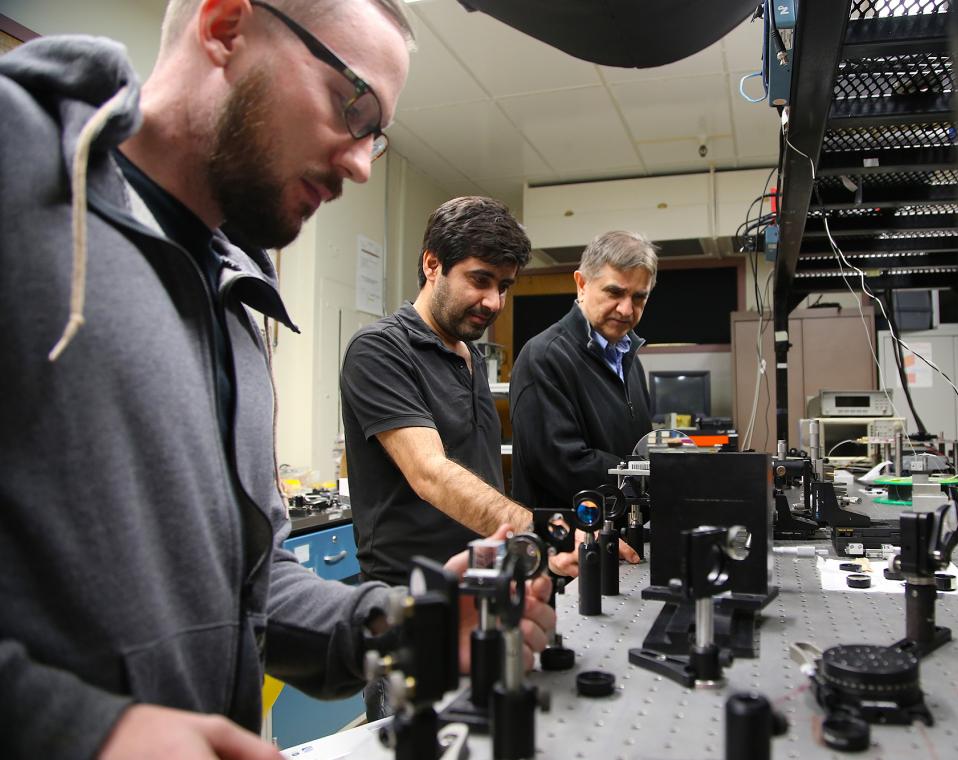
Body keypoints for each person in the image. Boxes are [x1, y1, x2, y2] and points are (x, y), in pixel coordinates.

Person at [0, 2, 553, 758]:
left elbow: (251, 592)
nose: (361, 163)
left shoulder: (237, 301)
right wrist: (82, 729)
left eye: (376, 135)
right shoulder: (17, 168)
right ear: (225, 26)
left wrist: (397, 627)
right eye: (350, 105)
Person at [341, 196, 536, 589]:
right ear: (433, 264)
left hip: (483, 574)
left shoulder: (472, 356)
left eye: (504, 286)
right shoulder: (380, 349)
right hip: (409, 590)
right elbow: (429, 472)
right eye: (480, 280)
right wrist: (537, 530)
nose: (493, 302)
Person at [509, 231, 658, 573]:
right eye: (614, 292)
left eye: (639, 297)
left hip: (622, 543)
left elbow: (635, 449)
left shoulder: (630, 361)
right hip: (565, 557)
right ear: (581, 283)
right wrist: (650, 478)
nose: (626, 309)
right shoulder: (543, 357)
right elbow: (563, 464)